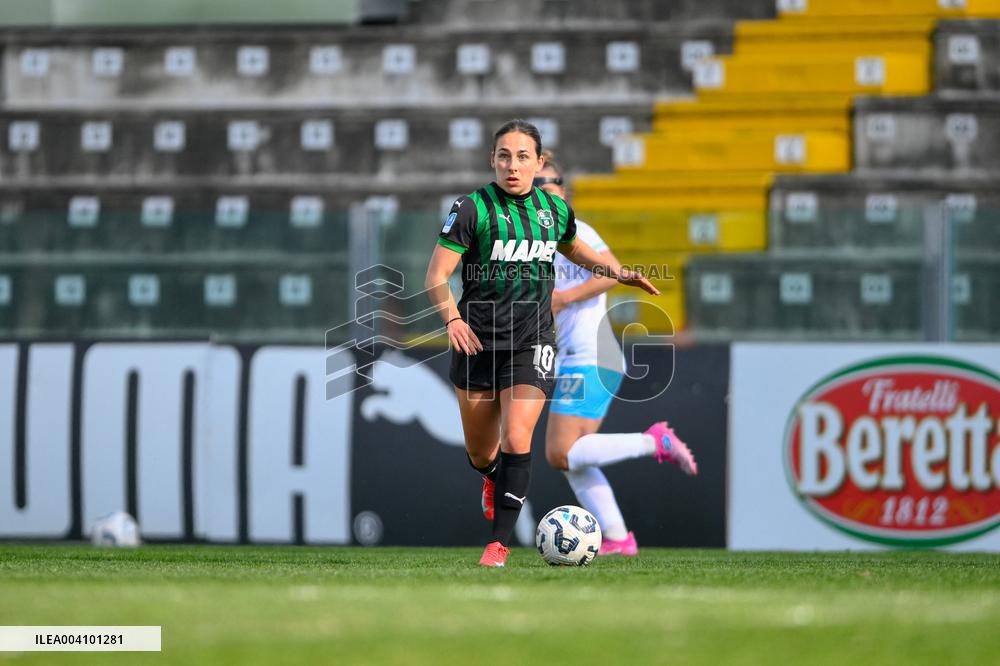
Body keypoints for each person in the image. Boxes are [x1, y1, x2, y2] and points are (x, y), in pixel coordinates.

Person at [424, 120, 659, 567]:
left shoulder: (553, 211)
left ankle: (498, 546)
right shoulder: (472, 208)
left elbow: (576, 250)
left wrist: (618, 272)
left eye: (522, 156)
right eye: (504, 156)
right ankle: (491, 476)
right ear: (492, 160)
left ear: (538, 162)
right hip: (476, 342)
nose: (513, 165)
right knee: (481, 452)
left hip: (532, 340)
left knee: (517, 436)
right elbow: (436, 276)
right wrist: (452, 317)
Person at [536, 151, 698, 557]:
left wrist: (563, 299)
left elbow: (611, 270)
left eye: (550, 185)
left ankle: (653, 442)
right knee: (574, 457)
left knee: (560, 453)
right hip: (578, 355)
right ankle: (618, 537)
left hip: (592, 353)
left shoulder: (577, 230)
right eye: (536, 186)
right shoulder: (535, 241)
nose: (543, 192)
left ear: (564, 192)